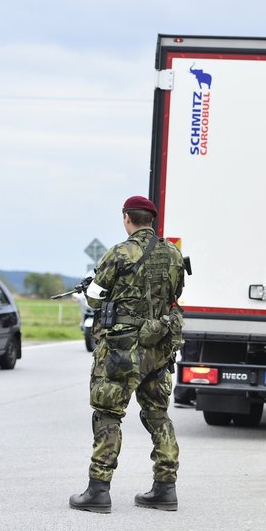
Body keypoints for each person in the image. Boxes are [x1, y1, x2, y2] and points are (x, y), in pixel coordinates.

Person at [69, 195, 186, 513]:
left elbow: (95, 298)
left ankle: (98, 491)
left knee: (108, 414)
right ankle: (165, 489)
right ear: (152, 219)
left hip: (122, 350)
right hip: (159, 349)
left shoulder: (119, 253)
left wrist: (92, 287)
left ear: (127, 218)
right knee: (158, 415)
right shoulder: (174, 254)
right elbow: (176, 293)